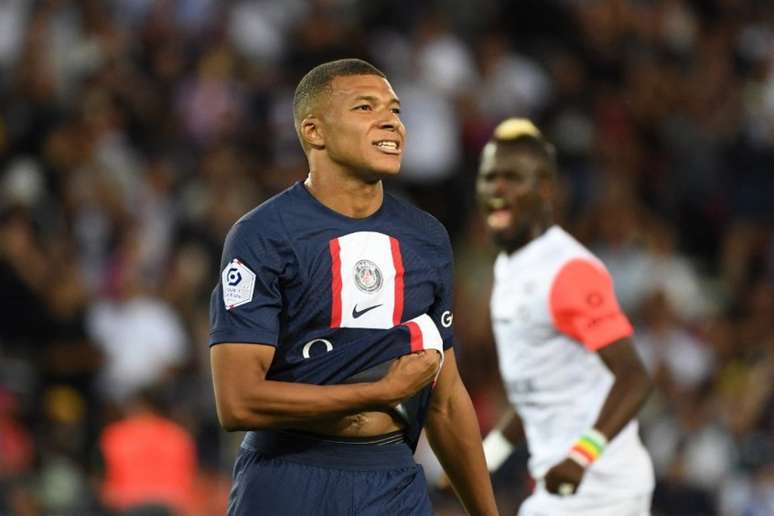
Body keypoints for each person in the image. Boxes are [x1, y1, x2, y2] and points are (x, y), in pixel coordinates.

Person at [209, 58, 497, 516]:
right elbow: (237, 401)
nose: (391, 121)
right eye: (366, 107)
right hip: (288, 478)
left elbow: (445, 399)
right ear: (314, 132)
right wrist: (377, 392)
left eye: (396, 110)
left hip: (391, 480)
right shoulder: (264, 234)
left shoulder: (426, 238)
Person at [475, 118, 655, 515]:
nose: (496, 189)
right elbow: (535, 392)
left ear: (545, 189)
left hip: (601, 489)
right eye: (488, 178)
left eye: (511, 178)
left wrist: (581, 456)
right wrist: (483, 459)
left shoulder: (567, 270)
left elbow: (634, 377)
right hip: (563, 488)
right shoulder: (511, 266)